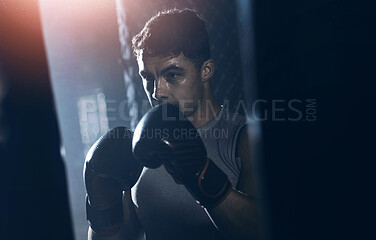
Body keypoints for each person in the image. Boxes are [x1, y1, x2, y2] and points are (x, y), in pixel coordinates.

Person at [84, 9, 260, 240]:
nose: (157, 92)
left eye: (173, 75)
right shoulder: (138, 147)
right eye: (148, 78)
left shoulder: (243, 139)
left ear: (206, 70)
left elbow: (261, 230)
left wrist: (199, 173)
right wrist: (102, 202)